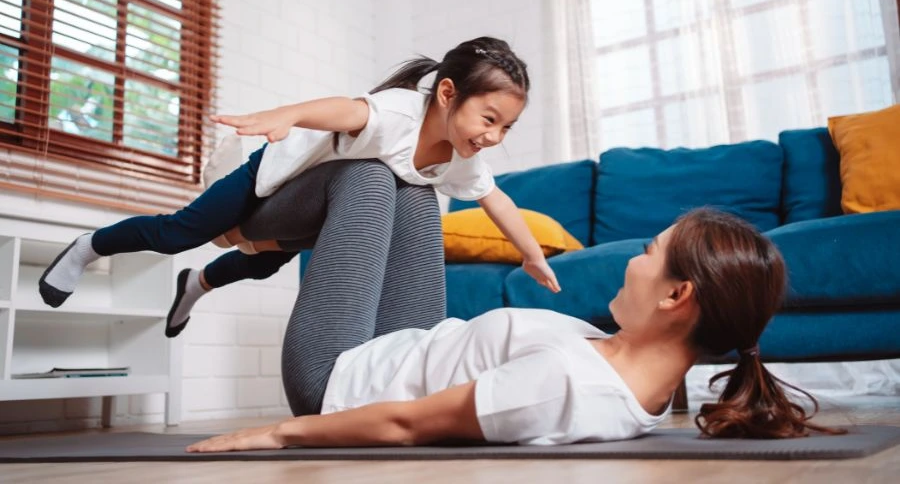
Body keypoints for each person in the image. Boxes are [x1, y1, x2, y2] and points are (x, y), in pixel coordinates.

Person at [186, 207, 840, 453]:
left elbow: (405, 425)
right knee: (413, 177)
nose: (632, 258)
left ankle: (239, 233)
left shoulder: (564, 383)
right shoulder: (609, 364)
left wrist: (277, 431)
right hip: (411, 342)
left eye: (650, 249)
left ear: (677, 294)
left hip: (339, 377)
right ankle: (252, 235)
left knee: (370, 180)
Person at [37, 37, 561, 338]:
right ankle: (89, 246)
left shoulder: (461, 154)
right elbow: (343, 109)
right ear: (448, 93)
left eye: (505, 128)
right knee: (180, 232)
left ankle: (196, 286)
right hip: (272, 180)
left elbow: (497, 199)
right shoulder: (399, 114)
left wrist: (532, 254)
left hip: (331, 207)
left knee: (263, 261)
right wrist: (285, 115)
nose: (492, 137)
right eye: (488, 119)